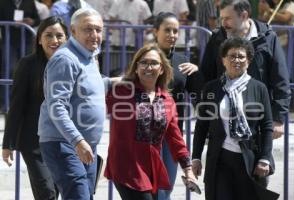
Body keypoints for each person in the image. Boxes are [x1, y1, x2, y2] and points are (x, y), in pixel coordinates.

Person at [104, 43, 197, 200]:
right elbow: (90, 87)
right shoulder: (121, 92)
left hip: (152, 169)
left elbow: (175, 139)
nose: (148, 67)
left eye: (154, 63)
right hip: (126, 166)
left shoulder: (167, 100)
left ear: (161, 69)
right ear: (136, 67)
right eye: (143, 63)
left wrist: (187, 169)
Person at [192, 37, 279, 200]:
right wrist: (196, 157)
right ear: (223, 60)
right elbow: (202, 126)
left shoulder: (259, 88)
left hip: (249, 160)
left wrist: (265, 158)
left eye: (241, 56)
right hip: (219, 160)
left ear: (249, 61)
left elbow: (267, 126)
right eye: (232, 56)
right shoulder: (211, 88)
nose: (236, 60)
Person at [38, 8, 107, 199]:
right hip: (65, 143)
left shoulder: (90, 56)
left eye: (98, 30)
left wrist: (122, 81)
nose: (94, 35)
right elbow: (56, 105)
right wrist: (78, 141)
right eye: (88, 29)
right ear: (73, 31)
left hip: (84, 146)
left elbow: (90, 88)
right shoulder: (65, 59)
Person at [200, 0, 291, 139]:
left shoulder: (267, 37)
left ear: (244, 15)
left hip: (257, 118)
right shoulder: (217, 38)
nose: (224, 23)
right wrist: (206, 115)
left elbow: (280, 80)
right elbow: (206, 78)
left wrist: (278, 117)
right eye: (222, 18)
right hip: (222, 119)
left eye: (228, 18)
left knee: (260, 160)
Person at [2, 16, 68, 200]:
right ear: (39, 39)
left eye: (59, 35)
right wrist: (8, 143)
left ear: (67, 38)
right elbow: (16, 106)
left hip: (64, 141)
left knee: (57, 191)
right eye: (48, 35)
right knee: (47, 192)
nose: (54, 40)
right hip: (33, 142)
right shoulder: (28, 64)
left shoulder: (71, 65)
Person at [152, 12, 201, 200]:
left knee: (166, 188)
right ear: (155, 31)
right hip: (145, 135)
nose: (172, 35)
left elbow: (199, 96)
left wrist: (197, 72)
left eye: (175, 31)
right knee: (150, 189)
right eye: (167, 30)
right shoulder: (145, 57)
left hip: (172, 134)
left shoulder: (182, 61)